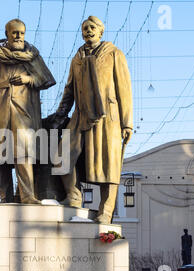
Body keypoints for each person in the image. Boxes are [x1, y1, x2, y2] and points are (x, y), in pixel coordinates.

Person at [51, 16, 133, 224]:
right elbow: (69, 89)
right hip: (80, 115)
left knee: (108, 164)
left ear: (101, 31)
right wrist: (61, 113)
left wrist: (127, 122)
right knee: (62, 155)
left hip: (108, 118)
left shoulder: (114, 53)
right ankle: (74, 196)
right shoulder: (76, 58)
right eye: (85, 28)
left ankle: (106, 210)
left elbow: (124, 89)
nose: (88, 31)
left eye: (92, 27)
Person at [0, 19, 56, 204]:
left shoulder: (32, 56)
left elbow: (47, 79)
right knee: (0, 158)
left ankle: (28, 196)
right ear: (7, 34)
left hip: (25, 113)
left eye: (21, 32)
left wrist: (29, 79)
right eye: (14, 32)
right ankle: (5, 197)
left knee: (24, 153)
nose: (18, 36)